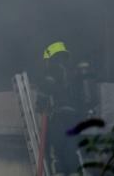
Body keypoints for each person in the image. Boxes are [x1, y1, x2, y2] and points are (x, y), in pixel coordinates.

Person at [36, 41, 98, 175]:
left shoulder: (52, 71)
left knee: (57, 155)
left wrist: (39, 105)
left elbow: (42, 97)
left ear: (50, 57)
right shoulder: (74, 73)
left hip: (59, 119)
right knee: (71, 153)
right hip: (75, 120)